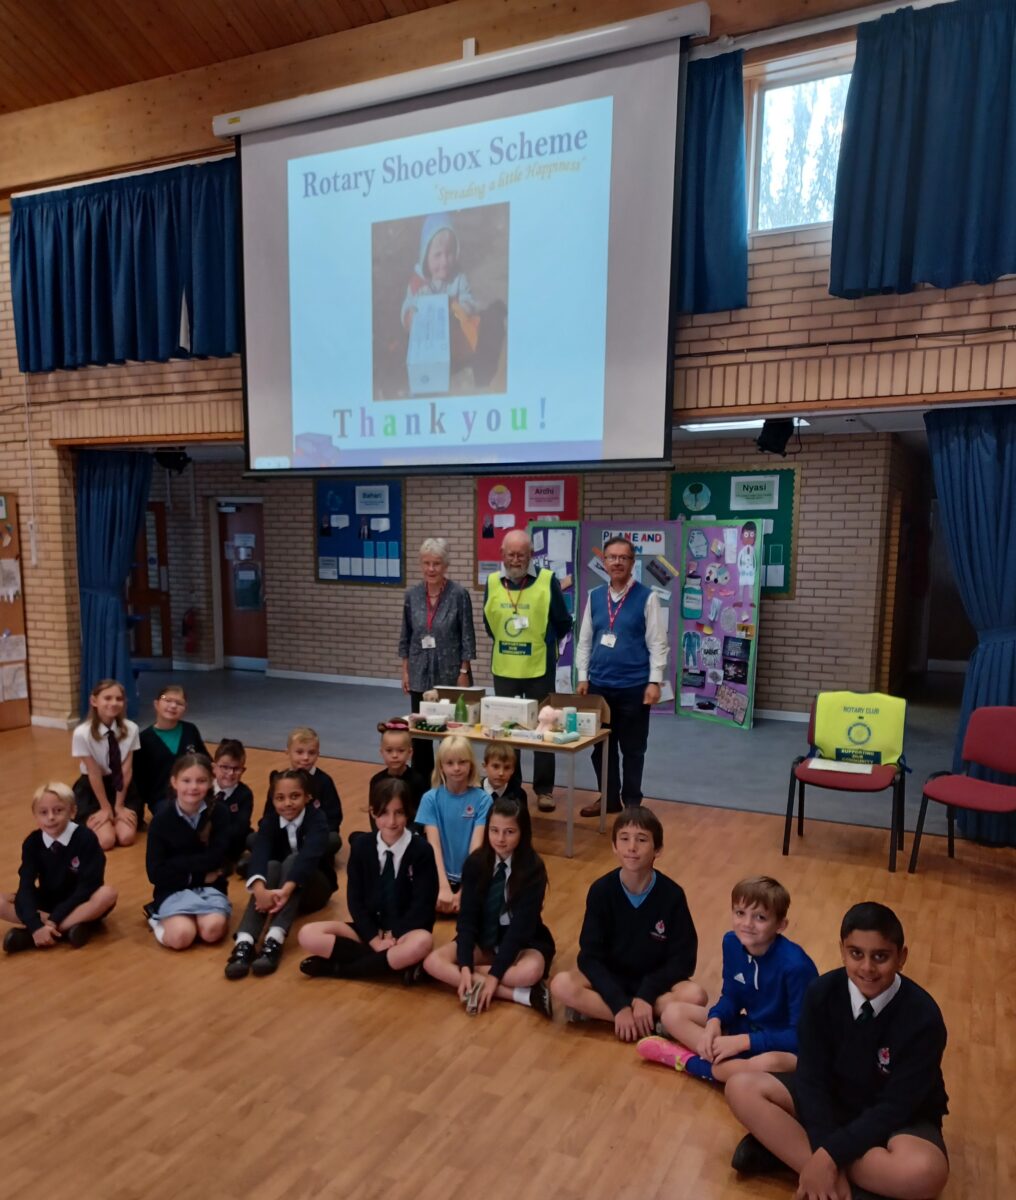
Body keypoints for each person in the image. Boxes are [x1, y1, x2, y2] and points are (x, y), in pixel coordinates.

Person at [725, 901, 949, 1200]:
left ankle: (791, 1159)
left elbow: (897, 1105)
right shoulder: (821, 993)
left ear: (902, 957)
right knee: (740, 1087)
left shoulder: (924, 1017)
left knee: (926, 1173)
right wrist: (826, 1152)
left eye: (880, 956)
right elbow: (810, 1078)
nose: (867, 967)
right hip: (833, 1102)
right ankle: (837, 1183)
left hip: (897, 1118)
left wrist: (829, 1154)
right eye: (856, 954)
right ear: (842, 950)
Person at [637, 875, 817, 1081]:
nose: (747, 924)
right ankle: (724, 1061)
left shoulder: (796, 966)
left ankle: (689, 1062)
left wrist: (744, 1042)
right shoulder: (731, 942)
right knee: (672, 1014)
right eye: (740, 913)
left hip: (785, 1047)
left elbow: (799, 1037)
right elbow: (731, 996)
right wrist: (715, 1020)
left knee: (768, 1064)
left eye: (760, 918)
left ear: (781, 925)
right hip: (750, 1027)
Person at [550, 806, 704, 1041]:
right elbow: (589, 957)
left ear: (658, 849)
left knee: (696, 995)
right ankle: (644, 1022)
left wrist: (646, 995)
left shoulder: (672, 895)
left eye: (641, 840)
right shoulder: (602, 890)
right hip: (611, 980)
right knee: (561, 984)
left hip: (654, 984)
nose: (632, 847)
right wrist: (619, 1006)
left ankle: (604, 1013)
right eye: (624, 839)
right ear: (614, 846)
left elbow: (684, 960)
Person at [423, 795, 554, 1018]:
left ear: (523, 833)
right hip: (484, 937)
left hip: (522, 940)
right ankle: (521, 996)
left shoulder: (533, 869)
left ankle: (475, 980)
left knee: (530, 971)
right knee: (433, 961)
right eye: (494, 830)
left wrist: (493, 976)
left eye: (509, 832)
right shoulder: (475, 863)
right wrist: (464, 966)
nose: (500, 839)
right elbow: (467, 921)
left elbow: (521, 928)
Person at [298, 776, 438, 982]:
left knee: (422, 943)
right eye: (384, 813)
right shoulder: (362, 846)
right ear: (373, 812)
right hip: (371, 930)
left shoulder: (421, 850)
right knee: (307, 934)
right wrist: (374, 939)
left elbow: (423, 905)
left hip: (407, 932)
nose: (392, 821)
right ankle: (391, 966)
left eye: (399, 813)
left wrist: (395, 935)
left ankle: (339, 970)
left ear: (408, 813)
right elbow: (355, 899)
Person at [576, 537, 668, 817]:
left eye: (623, 558)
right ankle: (609, 798)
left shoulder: (646, 597)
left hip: (634, 687)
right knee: (601, 749)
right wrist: (583, 677)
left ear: (632, 563)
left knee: (633, 749)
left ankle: (631, 804)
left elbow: (657, 643)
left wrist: (654, 681)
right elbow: (585, 641)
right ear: (604, 562)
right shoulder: (594, 597)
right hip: (600, 687)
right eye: (611, 557)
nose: (617, 562)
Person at [483, 528, 572, 813]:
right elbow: (489, 624)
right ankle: (511, 786)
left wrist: (546, 644)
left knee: (543, 729)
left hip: (539, 668)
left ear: (531, 554)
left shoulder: (547, 580)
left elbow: (562, 621)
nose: (516, 559)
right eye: (511, 554)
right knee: (508, 732)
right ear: (502, 554)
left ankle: (544, 790)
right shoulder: (493, 582)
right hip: (505, 669)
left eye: (522, 553)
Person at [225, 768, 338, 979]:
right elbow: (260, 853)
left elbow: (308, 858)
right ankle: (245, 941)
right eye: (280, 798)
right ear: (272, 800)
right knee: (270, 865)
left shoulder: (317, 819)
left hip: (314, 888)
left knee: (294, 860)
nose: (287, 803)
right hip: (278, 890)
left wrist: (285, 890)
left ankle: (274, 938)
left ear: (307, 797)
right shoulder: (269, 821)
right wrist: (260, 891)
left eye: (294, 796)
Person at [1, 782, 118, 953]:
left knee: (107, 894)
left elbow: (89, 886)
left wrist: (54, 919)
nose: (50, 817)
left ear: (72, 812)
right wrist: (35, 925)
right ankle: (63, 930)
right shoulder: (32, 842)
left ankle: (39, 934)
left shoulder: (86, 838)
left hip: (81, 902)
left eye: (58, 811)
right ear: (35, 816)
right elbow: (25, 886)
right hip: (48, 901)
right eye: (43, 812)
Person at [400, 212, 506, 388]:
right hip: (429, 340)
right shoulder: (418, 283)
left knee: (482, 329)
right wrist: (409, 316)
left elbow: (469, 299)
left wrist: (464, 307)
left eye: (449, 254)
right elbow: (408, 305)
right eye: (437, 255)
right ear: (425, 256)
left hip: (454, 338)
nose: (444, 261)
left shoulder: (458, 278)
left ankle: (477, 372)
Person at [398, 537, 475, 780]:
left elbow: (467, 636)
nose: (431, 569)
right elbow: (407, 634)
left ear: (445, 565)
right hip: (420, 670)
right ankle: (423, 783)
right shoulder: (412, 596)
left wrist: (464, 672)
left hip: (450, 673)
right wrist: (405, 670)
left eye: (437, 564)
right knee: (421, 732)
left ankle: (452, 779)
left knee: (449, 731)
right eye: (426, 563)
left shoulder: (459, 594)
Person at [144, 753, 232, 951]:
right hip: (172, 888)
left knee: (212, 931)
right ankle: (157, 920)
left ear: (211, 783)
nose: (193, 787)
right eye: (186, 780)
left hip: (212, 886)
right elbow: (156, 872)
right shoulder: (161, 820)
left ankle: (194, 917)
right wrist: (199, 874)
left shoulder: (220, 813)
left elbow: (218, 858)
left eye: (201, 781)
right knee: (181, 937)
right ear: (174, 782)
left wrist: (176, 863)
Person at [415, 735, 491, 915]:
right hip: (439, 873)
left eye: (462, 762)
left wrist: (464, 891)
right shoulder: (430, 799)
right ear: (441, 766)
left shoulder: (483, 800)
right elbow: (433, 845)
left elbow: (476, 849)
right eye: (450, 763)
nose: (456, 768)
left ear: (471, 764)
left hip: (471, 874)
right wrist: (443, 888)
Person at [71, 678, 142, 850]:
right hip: (93, 789)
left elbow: (126, 770)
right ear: (94, 701)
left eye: (119, 699)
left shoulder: (131, 728)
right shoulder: (82, 733)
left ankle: (117, 814)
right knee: (106, 841)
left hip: (120, 789)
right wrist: (105, 807)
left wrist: (118, 806)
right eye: (107, 698)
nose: (114, 703)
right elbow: (94, 772)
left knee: (126, 838)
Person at [261, 727, 342, 854]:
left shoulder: (325, 781)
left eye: (311, 753)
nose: (305, 758)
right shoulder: (279, 780)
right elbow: (268, 814)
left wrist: (319, 832)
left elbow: (334, 816)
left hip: (314, 836)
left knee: (333, 839)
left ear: (318, 754)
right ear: (287, 752)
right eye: (299, 752)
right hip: (284, 836)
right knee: (255, 839)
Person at [133, 684, 208, 814]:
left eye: (179, 703)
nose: (173, 706)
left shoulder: (190, 730)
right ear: (156, 704)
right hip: (162, 798)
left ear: (185, 708)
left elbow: (205, 762)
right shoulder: (144, 739)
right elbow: (139, 779)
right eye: (167, 700)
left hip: (193, 792)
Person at [369, 720, 430, 826]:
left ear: (410, 753)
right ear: (382, 752)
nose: (395, 755)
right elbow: (374, 813)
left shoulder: (418, 781)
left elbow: (421, 815)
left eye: (400, 751)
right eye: (389, 751)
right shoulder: (376, 781)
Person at [212, 738, 253, 872]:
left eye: (236, 769)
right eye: (225, 767)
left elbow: (240, 828)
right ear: (214, 767)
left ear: (243, 770)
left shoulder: (244, 794)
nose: (230, 773)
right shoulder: (204, 789)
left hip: (231, 844)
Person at [482, 741, 529, 808]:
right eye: (496, 766)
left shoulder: (519, 795)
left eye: (507, 768)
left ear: (513, 770)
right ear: (485, 767)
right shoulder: (474, 791)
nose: (501, 773)